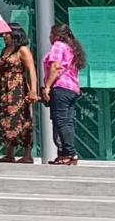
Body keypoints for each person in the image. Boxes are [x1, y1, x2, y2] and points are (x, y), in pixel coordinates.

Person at [42, 24, 86, 166]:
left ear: (57, 35)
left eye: (51, 33)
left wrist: (47, 86)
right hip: (73, 89)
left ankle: (69, 153)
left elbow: (55, 67)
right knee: (68, 121)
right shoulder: (71, 48)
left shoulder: (58, 45)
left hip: (60, 87)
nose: (49, 37)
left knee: (61, 121)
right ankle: (64, 154)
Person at [0, 23, 38, 164]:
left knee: (21, 119)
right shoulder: (5, 50)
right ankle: (9, 153)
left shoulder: (22, 50)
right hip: (4, 89)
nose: (4, 36)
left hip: (18, 88)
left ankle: (27, 154)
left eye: (7, 33)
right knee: (6, 119)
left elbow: (31, 69)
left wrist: (33, 90)